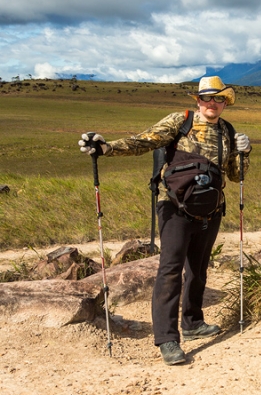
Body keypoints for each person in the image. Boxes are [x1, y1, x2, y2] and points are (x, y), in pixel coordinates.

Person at [78, 76, 251, 365]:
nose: (213, 103)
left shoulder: (227, 131)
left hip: (211, 209)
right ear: (197, 100)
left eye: (219, 99)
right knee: (170, 270)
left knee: (198, 269)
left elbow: (236, 176)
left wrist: (244, 152)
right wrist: (107, 148)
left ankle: (193, 322)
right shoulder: (180, 121)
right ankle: (167, 339)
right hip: (174, 208)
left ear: (225, 103)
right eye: (207, 98)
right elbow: (145, 141)